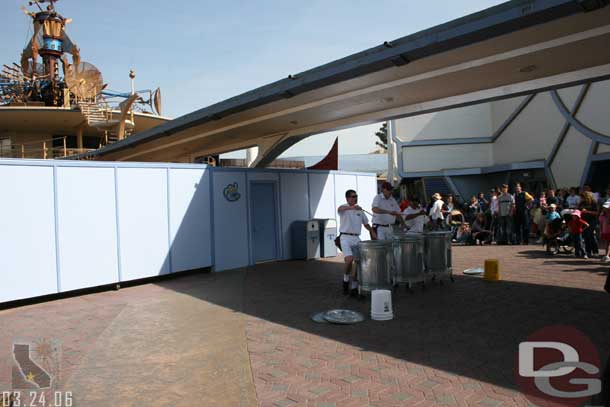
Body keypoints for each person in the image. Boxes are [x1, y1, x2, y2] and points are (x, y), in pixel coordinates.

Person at [338, 189, 377, 296]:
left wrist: (372, 231)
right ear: (347, 198)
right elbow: (339, 209)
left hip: (356, 238)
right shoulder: (344, 208)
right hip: (345, 237)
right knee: (349, 259)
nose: (355, 198)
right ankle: (345, 280)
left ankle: (354, 287)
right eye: (353, 196)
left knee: (360, 263)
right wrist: (352, 207)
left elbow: (366, 224)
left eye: (356, 196)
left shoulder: (360, 210)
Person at [580, 191, 599, 258]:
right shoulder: (582, 203)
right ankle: (588, 251)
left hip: (592, 221)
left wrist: (587, 211)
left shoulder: (593, 203)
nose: (582, 198)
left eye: (583, 197)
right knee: (585, 235)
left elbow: (596, 213)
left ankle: (595, 251)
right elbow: (579, 209)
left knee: (590, 235)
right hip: (584, 220)